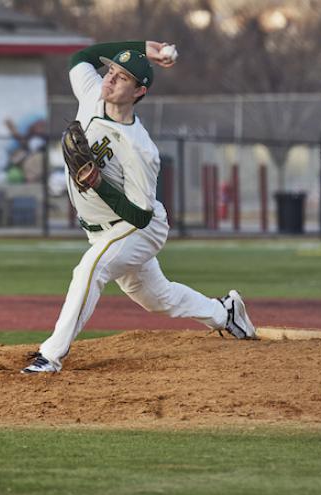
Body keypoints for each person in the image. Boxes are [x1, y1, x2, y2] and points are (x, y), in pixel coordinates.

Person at [22, 40, 256, 374]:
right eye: (111, 71)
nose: (110, 79)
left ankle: (51, 355)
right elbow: (80, 58)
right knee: (158, 298)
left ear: (139, 91)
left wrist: (99, 185)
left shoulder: (140, 149)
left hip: (137, 227)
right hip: (101, 229)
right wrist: (145, 47)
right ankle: (226, 313)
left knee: (91, 270)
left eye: (122, 77)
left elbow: (141, 214)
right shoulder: (91, 95)